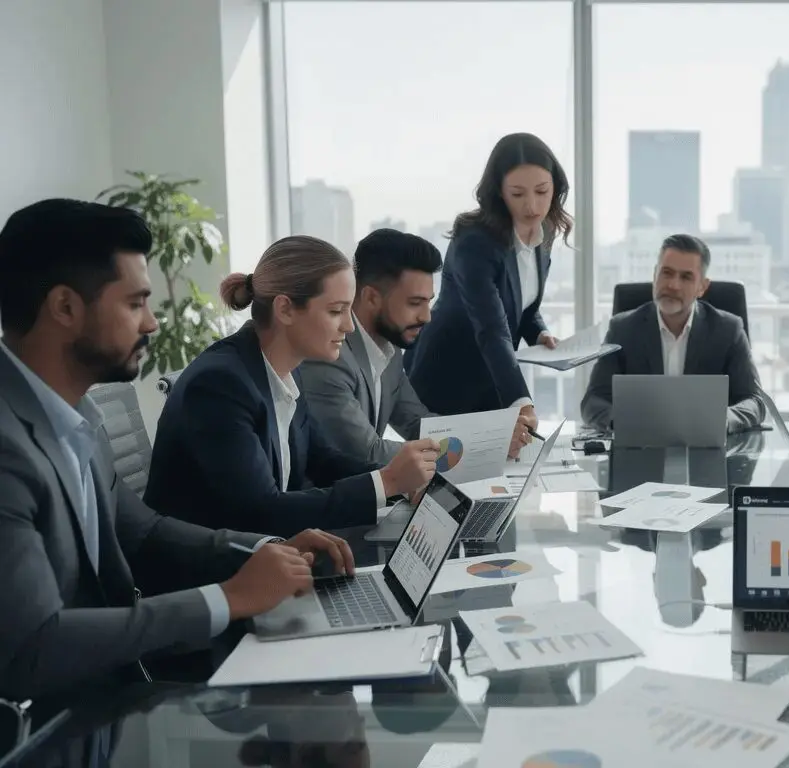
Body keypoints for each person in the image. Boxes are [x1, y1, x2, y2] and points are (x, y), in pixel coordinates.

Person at [0, 199, 357, 702]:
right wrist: (227, 598)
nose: (152, 323)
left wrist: (262, 550)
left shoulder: (77, 416)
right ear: (64, 308)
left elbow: (142, 532)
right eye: (134, 303)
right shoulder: (8, 447)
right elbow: (32, 649)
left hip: (112, 694)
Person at [145, 236, 439, 538]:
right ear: (285, 309)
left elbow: (321, 459)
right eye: (336, 311)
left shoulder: (285, 371)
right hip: (217, 575)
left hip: (270, 556)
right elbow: (261, 512)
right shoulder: (221, 385)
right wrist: (386, 482)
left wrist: (396, 483)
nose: (349, 327)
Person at [407, 133, 570, 456]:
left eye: (542, 192)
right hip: (449, 377)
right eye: (518, 194)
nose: (533, 206)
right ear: (499, 192)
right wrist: (523, 403)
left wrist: (539, 332)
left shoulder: (544, 231)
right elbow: (492, 326)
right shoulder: (475, 241)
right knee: (449, 482)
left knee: (500, 482)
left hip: (492, 378)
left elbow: (521, 302)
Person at [580, 234, 766, 432]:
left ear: (702, 287)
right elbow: (593, 401)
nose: (673, 285)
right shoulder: (623, 329)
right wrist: (625, 422)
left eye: (686, 277)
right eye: (666, 273)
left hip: (708, 452)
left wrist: (725, 419)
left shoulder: (728, 330)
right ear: (655, 275)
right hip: (642, 449)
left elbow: (755, 401)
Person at [299, 229, 441, 464]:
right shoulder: (329, 354)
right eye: (415, 303)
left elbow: (417, 423)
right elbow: (366, 453)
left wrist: (495, 435)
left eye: (429, 302)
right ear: (371, 298)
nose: (426, 317)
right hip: (329, 496)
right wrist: (451, 453)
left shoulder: (390, 347)